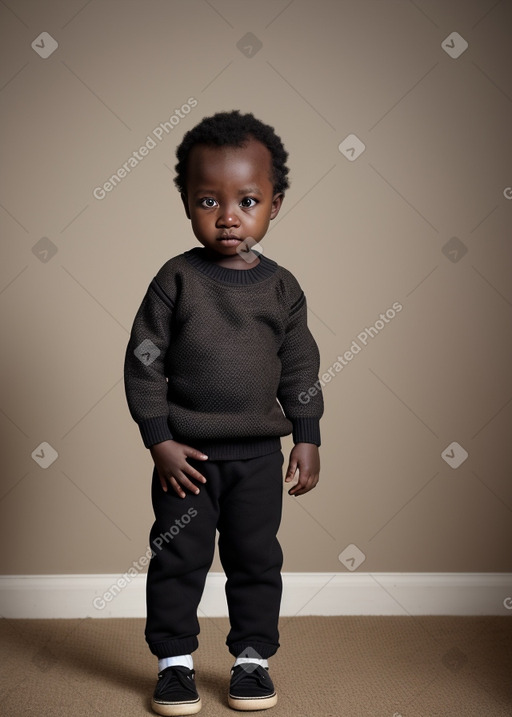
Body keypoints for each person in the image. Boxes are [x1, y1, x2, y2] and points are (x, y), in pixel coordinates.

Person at [124, 110, 324, 715]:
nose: (228, 215)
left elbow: (301, 370)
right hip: (186, 460)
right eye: (209, 199)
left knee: (256, 560)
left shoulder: (282, 289)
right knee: (178, 557)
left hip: (260, 459)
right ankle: (175, 665)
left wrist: (308, 436)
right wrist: (159, 439)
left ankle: (252, 661)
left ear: (275, 205)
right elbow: (144, 360)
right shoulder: (176, 280)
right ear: (186, 202)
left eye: (247, 200)